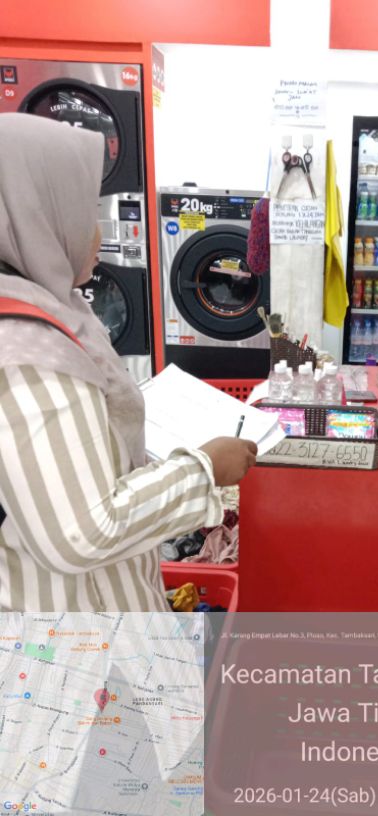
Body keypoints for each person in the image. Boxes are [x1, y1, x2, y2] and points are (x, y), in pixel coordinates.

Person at [0, 113, 257, 612]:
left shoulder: (51, 310)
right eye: (84, 212)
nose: (97, 235)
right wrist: (204, 468)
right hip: (75, 638)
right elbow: (80, 533)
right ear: (36, 216)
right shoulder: (26, 350)